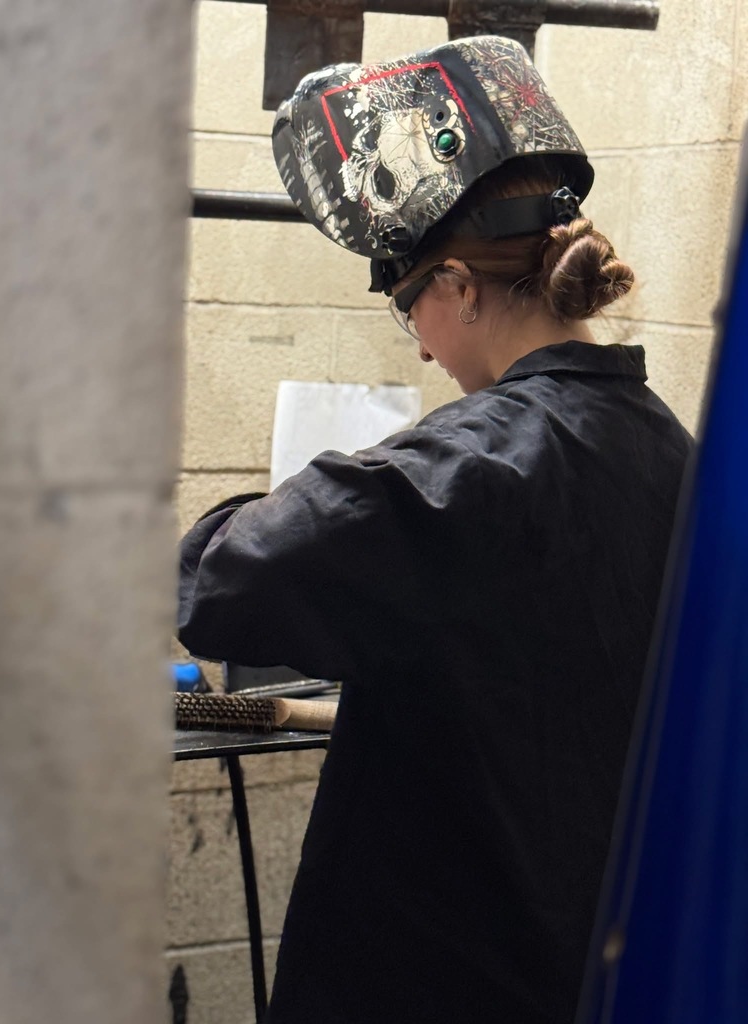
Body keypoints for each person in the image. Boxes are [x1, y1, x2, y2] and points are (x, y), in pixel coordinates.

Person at [178, 36, 693, 1024]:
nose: (416, 340)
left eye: (409, 303)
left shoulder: (469, 467)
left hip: (437, 978)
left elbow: (220, 583)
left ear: (456, 285)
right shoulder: (676, 453)